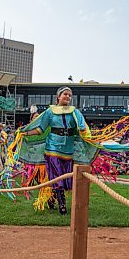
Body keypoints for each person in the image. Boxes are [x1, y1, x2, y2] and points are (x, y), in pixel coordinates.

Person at [20, 86, 95, 215]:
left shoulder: (74, 112)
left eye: (70, 95)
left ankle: (52, 197)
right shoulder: (50, 112)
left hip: (68, 149)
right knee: (57, 175)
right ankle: (62, 204)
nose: (67, 97)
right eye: (65, 94)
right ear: (58, 97)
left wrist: (85, 132)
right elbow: (40, 129)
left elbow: (82, 126)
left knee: (65, 177)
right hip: (52, 148)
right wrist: (25, 133)